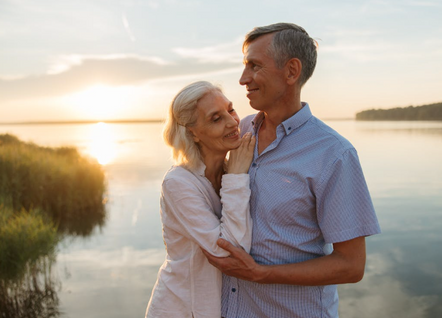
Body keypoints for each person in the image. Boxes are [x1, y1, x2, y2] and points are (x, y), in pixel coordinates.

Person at [203, 23, 381, 318]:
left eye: (254, 66)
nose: (243, 78)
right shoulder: (238, 131)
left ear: (291, 71)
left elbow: (351, 266)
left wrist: (261, 273)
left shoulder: (334, 154)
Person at [145, 81, 255, 318]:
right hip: (180, 309)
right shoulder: (178, 182)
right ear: (192, 133)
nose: (233, 122)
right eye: (216, 118)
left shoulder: (230, 169)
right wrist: (236, 177)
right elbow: (229, 251)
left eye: (231, 109)